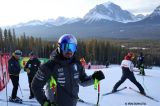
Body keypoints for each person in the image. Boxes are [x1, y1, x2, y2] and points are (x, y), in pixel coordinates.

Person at [32, 34, 105, 106]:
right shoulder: (49, 66)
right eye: (65, 47)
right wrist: (45, 103)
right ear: (59, 47)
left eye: (72, 47)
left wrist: (94, 78)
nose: (69, 51)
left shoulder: (77, 64)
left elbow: (83, 81)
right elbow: (36, 86)